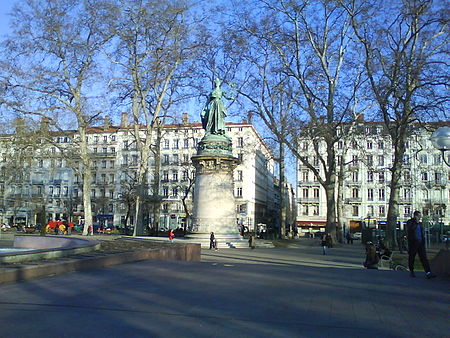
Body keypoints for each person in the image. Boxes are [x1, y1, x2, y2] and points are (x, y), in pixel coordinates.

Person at [406, 211, 436, 279]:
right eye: (418, 216)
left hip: (420, 243)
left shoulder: (420, 224)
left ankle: (428, 272)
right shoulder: (410, 222)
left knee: (424, 258)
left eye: (420, 216)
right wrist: (416, 222)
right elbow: (410, 229)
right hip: (413, 243)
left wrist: (423, 240)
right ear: (415, 216)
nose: (419, 217)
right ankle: (411, 271)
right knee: (412, 257)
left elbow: (422, 232)